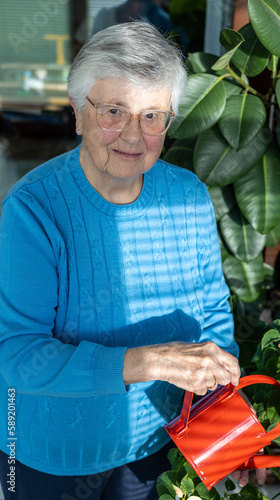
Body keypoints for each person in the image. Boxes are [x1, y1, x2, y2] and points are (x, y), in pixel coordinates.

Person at [0, 22, 262, 500]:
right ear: (78, 113)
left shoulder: (189, 196)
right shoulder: (32, 210)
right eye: (114, 111)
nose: (132, 135)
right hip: (50, 454)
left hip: (159, 444)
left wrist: (226, 421)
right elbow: (19, 357)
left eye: (152, 115)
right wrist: (149, 361)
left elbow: (214, 315)